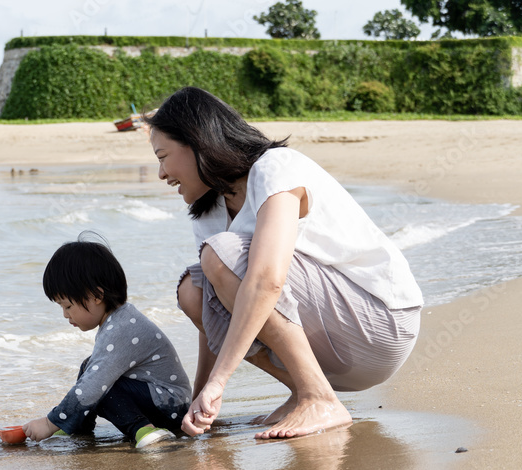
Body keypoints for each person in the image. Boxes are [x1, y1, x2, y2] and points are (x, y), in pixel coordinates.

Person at [147, 87, 422, 440]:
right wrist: (199, 399)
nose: (160, 173)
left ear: (196, 142)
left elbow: (267, 280)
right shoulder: (208, 212)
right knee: (193, 290)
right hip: (332, 351)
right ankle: (305, 390)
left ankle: (318, 396)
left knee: (220, 256)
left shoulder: (274, 169)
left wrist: (220, 380)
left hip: (380, 325)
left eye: (162, 156)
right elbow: (211, 314)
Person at [23, 238, 193, 448]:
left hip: (171, 406)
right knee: (90, 367)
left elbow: (93, 386)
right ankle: (78, 427)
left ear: (96, 295)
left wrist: (51, 422)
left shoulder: (122, 328)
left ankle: (144, 429)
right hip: (163, 402)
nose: (65, 315)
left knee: (99, 384)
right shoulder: (118, 321)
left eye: (67, 306)